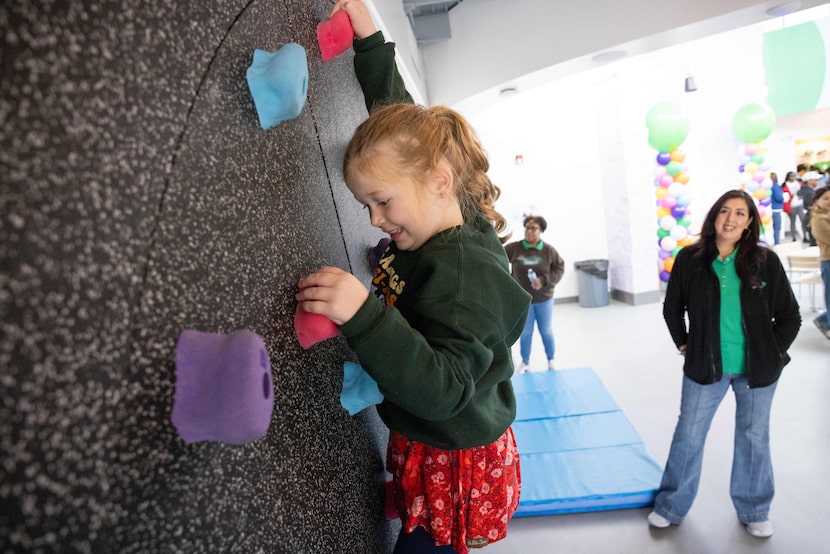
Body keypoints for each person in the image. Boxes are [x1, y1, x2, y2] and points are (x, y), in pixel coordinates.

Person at [298, 3, 531, 552]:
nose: (375, 220)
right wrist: (371, 41)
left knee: (427, 545)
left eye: (381, 202)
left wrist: (363, 314)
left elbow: (446, 389)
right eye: (367, 204)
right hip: (427, 433)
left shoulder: (463, 274)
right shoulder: (442, 194)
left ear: (438, 181)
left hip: (454, 449)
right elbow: (401, 127)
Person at [647, 190, 801, 539]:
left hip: (757, 372)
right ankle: (670, 506)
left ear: (749, 224)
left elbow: (790, 316)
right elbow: (673, 309)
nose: (731, 219)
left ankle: (755, 509)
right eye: (725, 212)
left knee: (754, 438)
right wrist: (685, 343)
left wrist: (774, 354)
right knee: (688, 435)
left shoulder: (765, 261)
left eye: (740, 214)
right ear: (714, 216)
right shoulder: (690, 259)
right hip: (705, 368)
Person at [504, 215, 565, 372]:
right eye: (527, 227)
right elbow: (498, 257)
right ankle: (525, 363)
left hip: (544, 299)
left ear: (541, 230)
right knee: (525, 332)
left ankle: (551, 361)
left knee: (546, 331)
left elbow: (559, 268)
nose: (529, 231)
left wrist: (544, 280)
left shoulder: (548, 250)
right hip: (523, 300)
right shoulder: (514, 248)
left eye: (533, 228)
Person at [810, 187, 830, 339]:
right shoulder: (818, 219)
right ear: (817, 201)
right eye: (826, 198)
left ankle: (823, 321)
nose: (829, 202)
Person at [785, 171, 807, 241]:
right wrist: (791, 195)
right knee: (792, 222)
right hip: (792, 205)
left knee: (803, 220)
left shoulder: (799, 183)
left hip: (799, 203)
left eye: (794, 176)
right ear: (788, 177)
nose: (793, 177)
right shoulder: (785, 185)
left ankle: (805, 236)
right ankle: (793, 237)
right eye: (791, 176)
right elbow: (785, 195)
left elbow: (803, 191)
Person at [770, 172, 785, 245]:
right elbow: (779, 198)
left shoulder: (767, 187)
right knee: (777, 227)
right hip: (776, 209)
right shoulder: (776, 187)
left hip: (769, 210)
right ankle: (777, 243)